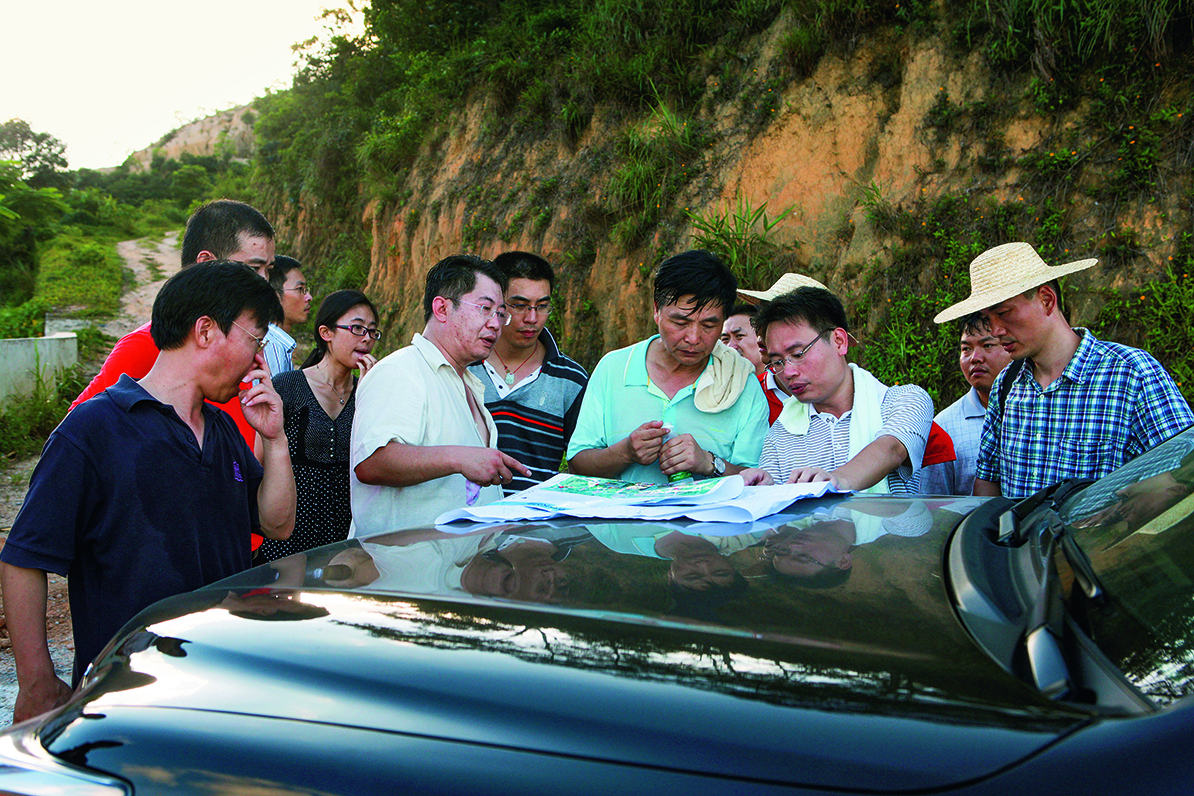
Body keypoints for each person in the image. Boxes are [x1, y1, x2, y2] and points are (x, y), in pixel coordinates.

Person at [0, 261, 296, 723]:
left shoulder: (222, 429)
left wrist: (275, 439)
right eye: (256, 340)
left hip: (221, 680)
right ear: (205, 331)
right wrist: (37, 681)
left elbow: (277, 522)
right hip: (127, 699)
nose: (259, 361)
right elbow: (24, 558)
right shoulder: (93, 430)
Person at [933, 242, 1194, 499]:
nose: (996, 330)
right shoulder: (1006, 385)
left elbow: (1184, 471)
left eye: (1004, 313)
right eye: (989, 319)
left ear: (1047, 300)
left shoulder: (1131, 374)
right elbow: (989, 483)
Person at [69, 199, 277, 448]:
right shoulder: (148, 344)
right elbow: (74, 439)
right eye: (254, 268)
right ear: (207, 263)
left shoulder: (249, 343)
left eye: (269, 269)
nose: (264, 282)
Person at [350, 254, 531, 534]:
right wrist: (460, 458)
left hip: (459, 570)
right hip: (406, 570)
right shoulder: (401, 371)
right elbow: (372, 463)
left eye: (500, 313)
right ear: (442, 308)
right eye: (485, 308)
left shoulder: (468, 382)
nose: (495, 324)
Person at [567, 249, 768, 483]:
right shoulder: (613, 369)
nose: (693, 338)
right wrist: (625, 453)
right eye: (680, 322)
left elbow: (759, 480)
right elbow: (577, 465)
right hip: (624, 520)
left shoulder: (741, 384)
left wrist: (709, 462)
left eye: (709, 325)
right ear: (656, 311)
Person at [742, 287, 933, 493]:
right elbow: (778, 508)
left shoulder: (903, 401)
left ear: (839, 342)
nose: (788, 372)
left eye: (798, 354)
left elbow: (891, 449)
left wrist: (835, 482)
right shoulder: (780, 433)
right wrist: (766, 489)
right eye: (777, 362)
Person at [257, 290, 380, 561]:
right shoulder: (288, 386)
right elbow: (260, 462)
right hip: (290, 535)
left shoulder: (368, 392)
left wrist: (371, 395)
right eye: (357, 328)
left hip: (346, 538)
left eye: (372, 332)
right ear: (327, 333)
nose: (366, 339)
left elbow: (376, 458)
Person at [467, 251, 589, 494]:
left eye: (542, 306)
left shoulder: (571, 380)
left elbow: (582, 462)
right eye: (520, 305)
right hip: (466, 520)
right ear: (496, 303)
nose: (532, 318)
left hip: (535, 525)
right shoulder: (462, 366)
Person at [920, 313, 1013, 495]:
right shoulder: (944, 427)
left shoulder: (1037, 410)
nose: (975, 358)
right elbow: (935, 505)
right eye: (966, 349)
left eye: (987, 346)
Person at [721, 303, 788, 424]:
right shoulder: (723, 395)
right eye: (725, 339)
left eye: (739, 336)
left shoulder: (802, 383)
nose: (731, 347)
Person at [262, 255, 312, 377]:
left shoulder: (279, 343)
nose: (309, 297)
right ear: (275, 295)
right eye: (300, 289)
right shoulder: (273, 346)